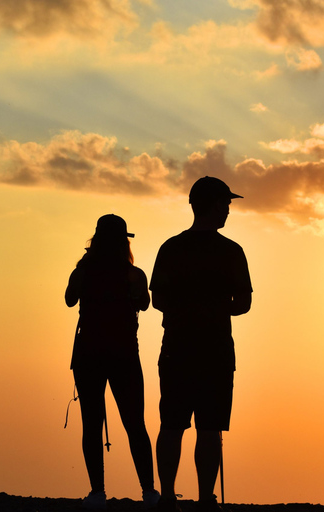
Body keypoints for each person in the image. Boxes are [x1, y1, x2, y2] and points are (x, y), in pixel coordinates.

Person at [149, 177, 252, 512]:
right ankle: (206, 500)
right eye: (225, 204)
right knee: (209, 427)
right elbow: (244, 303)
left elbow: (158, 299)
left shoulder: (171, 248)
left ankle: (167, 496)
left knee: (173, 424)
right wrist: (216, 308)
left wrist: (186, 309)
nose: (228, 210)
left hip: (178, 347)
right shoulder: (231, 251)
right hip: (215, 350)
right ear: (213, 205)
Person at [65, 214, 160, 510]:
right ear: (123, 242)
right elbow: (144, 304)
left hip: (88, 354)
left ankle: (97, 493)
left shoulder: (82, 272)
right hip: (123, 355)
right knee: (135, 424)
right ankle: (149, 492)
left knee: (92, 424)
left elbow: (69, 300)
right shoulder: (134, 274)